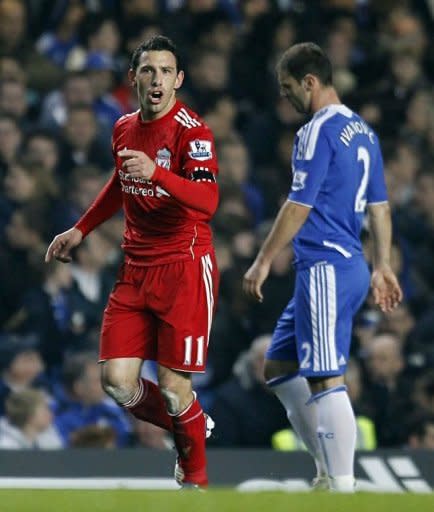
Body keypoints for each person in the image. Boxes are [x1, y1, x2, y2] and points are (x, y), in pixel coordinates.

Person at [45, 35, 219, 488]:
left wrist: (159, 173)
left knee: (177, 388)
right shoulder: (123, 127)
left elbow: (208, 200)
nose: (156, 78)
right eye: (148, 70)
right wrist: (80, 229)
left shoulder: (193, 132)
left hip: (184, 265)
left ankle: (195, 483)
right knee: (117, 382)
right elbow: (121, 183)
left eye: (165, 71)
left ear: (178, 80)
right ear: (134, 78)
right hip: (135, 267)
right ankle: (193, 426)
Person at [243, 42, 403, 492]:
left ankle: (342, 486)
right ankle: (328, 471)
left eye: (289, 87)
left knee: (325, 377)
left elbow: (298, 204)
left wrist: (262, 260)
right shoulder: (363, 130)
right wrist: (382, 264)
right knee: (278, 366)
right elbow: (380, 206)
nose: (286, 97)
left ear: (310, 82)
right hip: (348, 264)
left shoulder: (316, 130)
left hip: (325, 266)